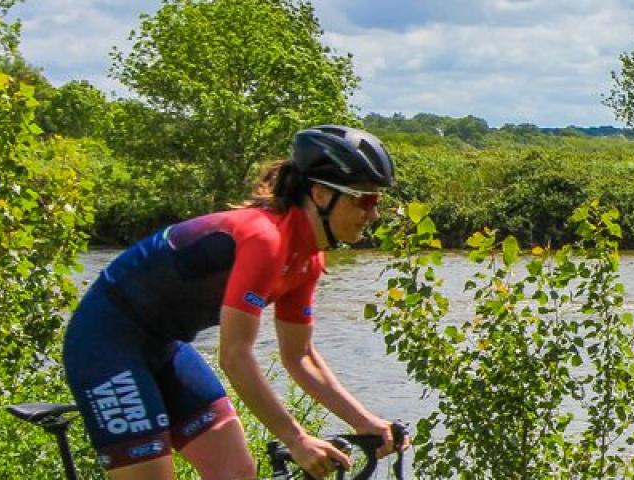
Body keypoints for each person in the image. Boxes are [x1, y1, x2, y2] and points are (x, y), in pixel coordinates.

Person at [61, 125, 404, 479]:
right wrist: (297, 439)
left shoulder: (307, 260)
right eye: (364, 199)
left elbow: (299, 356)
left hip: (164, 346)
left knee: (237, 474)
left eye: (377, 201)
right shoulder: (265, 240)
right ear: (320, 194)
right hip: (105, 343)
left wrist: (365, 422)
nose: (374, 214)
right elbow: (234, 356)